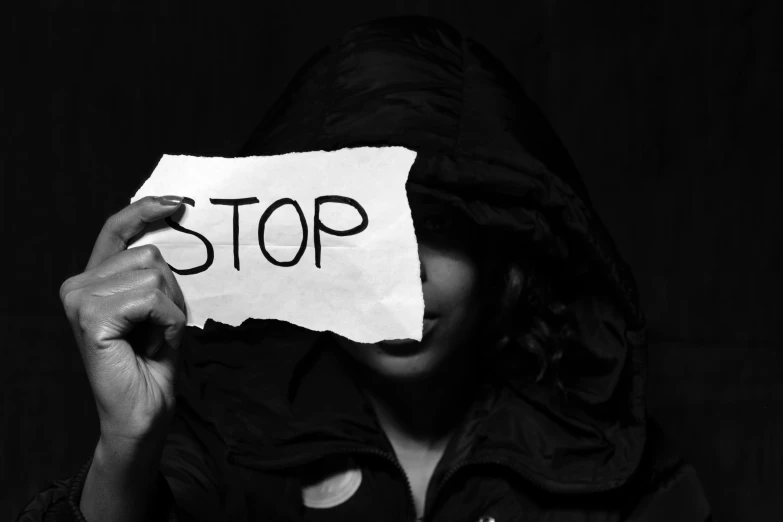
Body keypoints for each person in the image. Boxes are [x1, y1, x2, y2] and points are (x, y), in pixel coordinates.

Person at [17, 15, 712, 522]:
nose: (395, 271)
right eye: (360, 228)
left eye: (435, 229)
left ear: (507, 267)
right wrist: (126, 445)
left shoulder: (624, 469)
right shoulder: (219, 440)